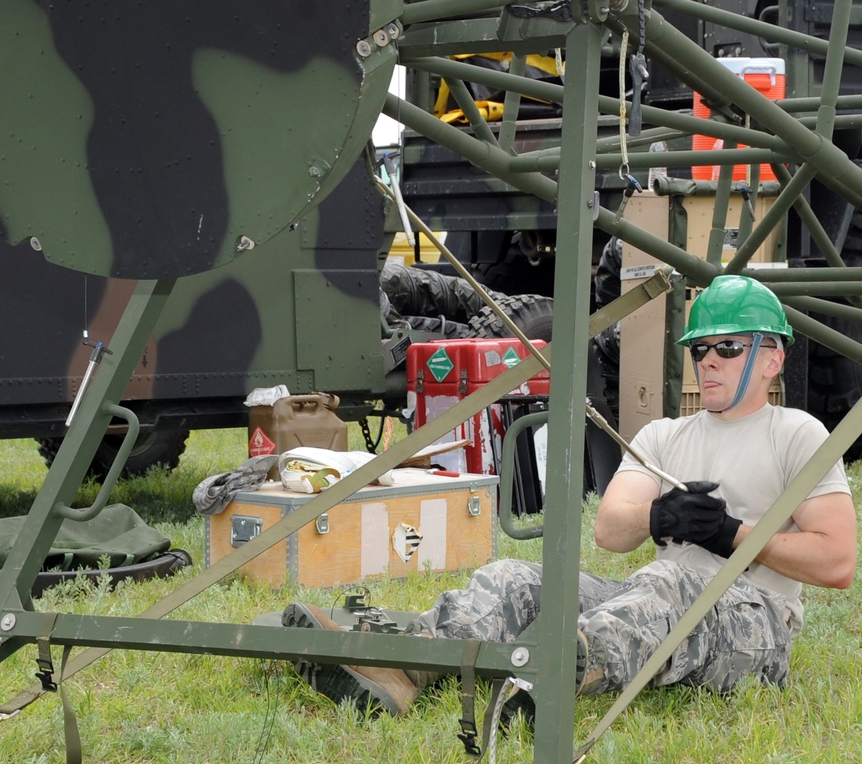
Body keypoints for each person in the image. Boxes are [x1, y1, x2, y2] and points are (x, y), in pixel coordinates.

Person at [282, 274, 857, 719]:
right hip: (652, 598)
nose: (708, 359)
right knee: (517, 578)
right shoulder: (663, 434)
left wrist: (732, 536)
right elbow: (610, 531)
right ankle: (405, 667)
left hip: (757, 621)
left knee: (668, 582)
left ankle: (544, 679)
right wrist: (659, 517)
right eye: (700, 347)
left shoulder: (797, 433)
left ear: (772, 358)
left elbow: (837, 562)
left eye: (727, 347)